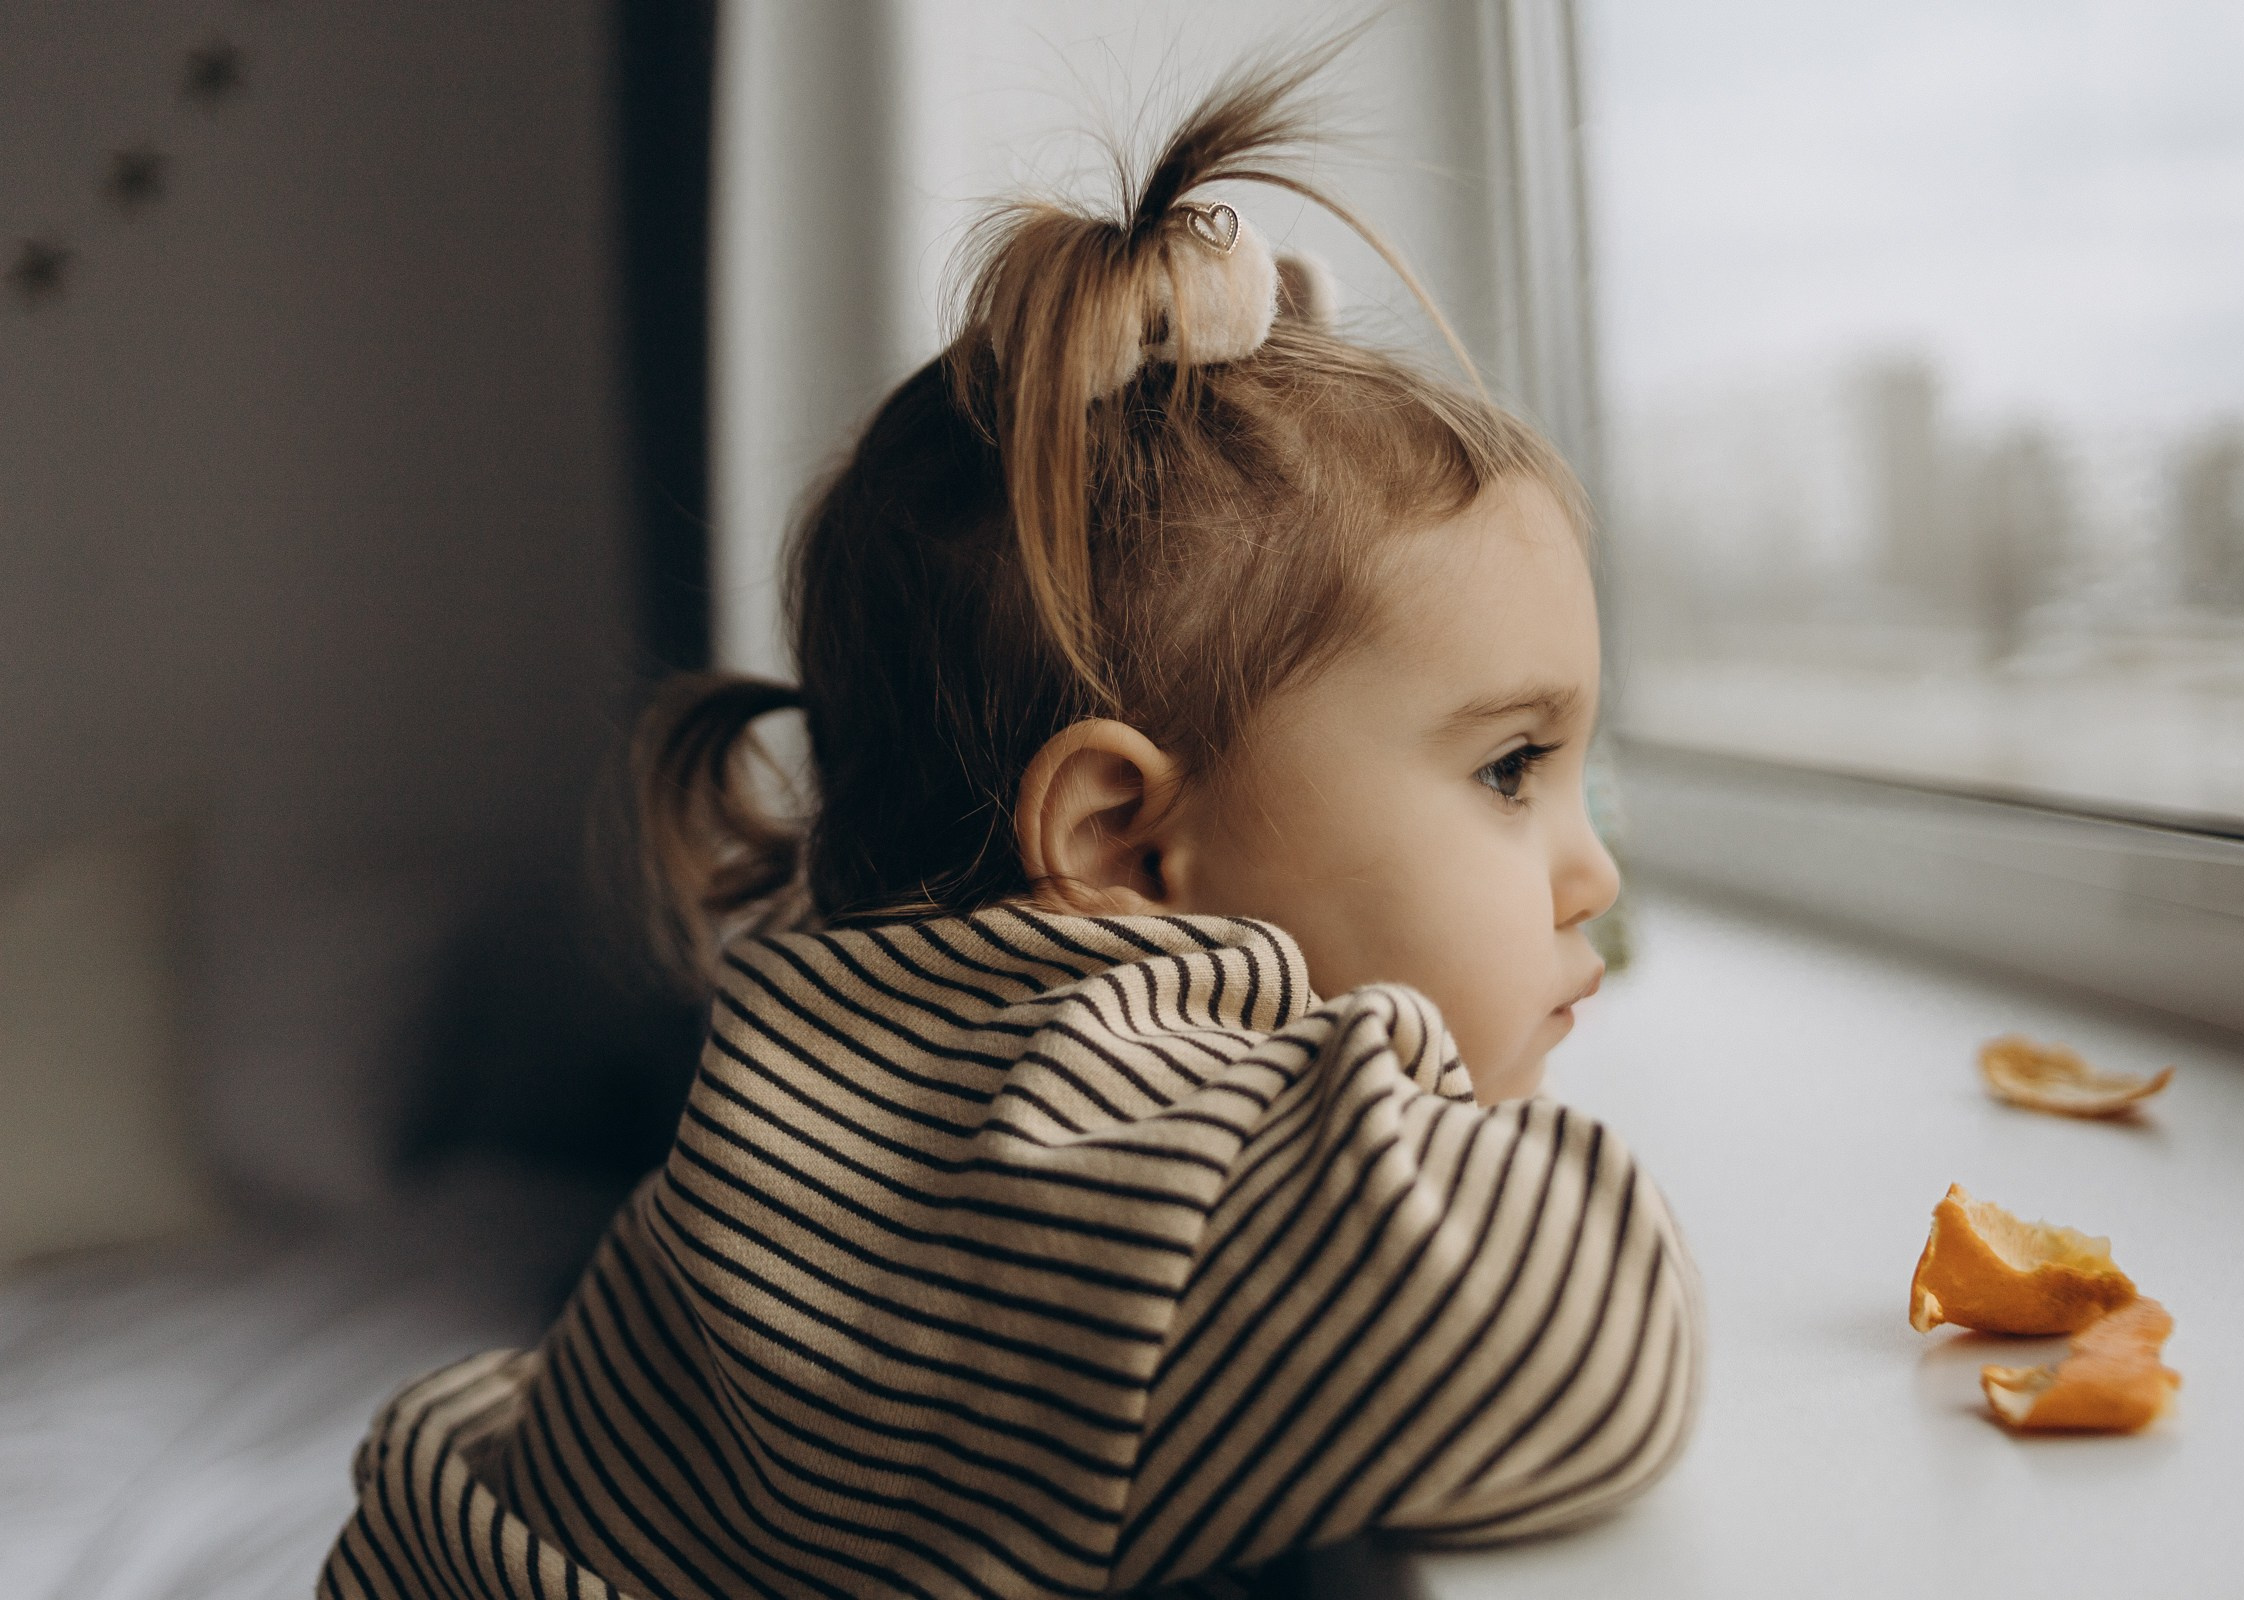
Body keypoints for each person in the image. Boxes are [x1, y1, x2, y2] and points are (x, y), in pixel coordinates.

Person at [319, 42, 1700, 1600]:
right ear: (1120, 846)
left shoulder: (884, 1051)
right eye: (1511, 770)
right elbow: (1576, 1329)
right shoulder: (1064, 1132)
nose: (1591, 870)